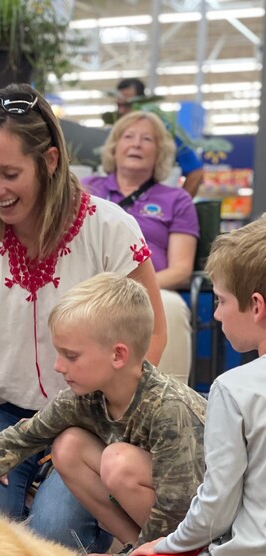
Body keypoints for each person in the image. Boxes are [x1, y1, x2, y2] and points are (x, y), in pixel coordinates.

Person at [0, 84, 167, 552]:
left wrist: (106, 419)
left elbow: (152, 331)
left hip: (87, 416)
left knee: (56, 535)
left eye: (10, 173)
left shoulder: (110, 228)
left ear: (50, 161)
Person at [0, 273, 206, 556]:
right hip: (164, 519)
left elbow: (178, 505)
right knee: (68, 446)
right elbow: (17, 441)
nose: (57, 366)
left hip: (201, 528)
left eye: (71, 356)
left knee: (119, 462)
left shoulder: (169, 409)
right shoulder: (83, 398)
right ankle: (135, 548)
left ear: (118, 355)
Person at [105, 219, 266, 556]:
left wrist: (163, 545)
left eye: (220, 301)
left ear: (257, 306)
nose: (214, 314)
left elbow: (215, 508)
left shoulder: (235, 388)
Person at [82, 111, 200, 385]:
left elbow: (181, 269)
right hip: (88, 289)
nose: (136, 144)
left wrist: (131, 290)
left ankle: (169, 407)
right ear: (115, 146)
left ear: (159, 152)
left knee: (170, 307)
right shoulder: (86, 190)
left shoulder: (176, 199)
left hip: (150, 291)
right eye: (129, 137)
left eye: (147, 139)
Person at [115, 78, 204, 198]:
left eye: (128, 104)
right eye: (119, 105)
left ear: (143, 101)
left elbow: (196, 173)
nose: (122, 110)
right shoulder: (115, 131)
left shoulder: (162, 130)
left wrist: (179, 206)